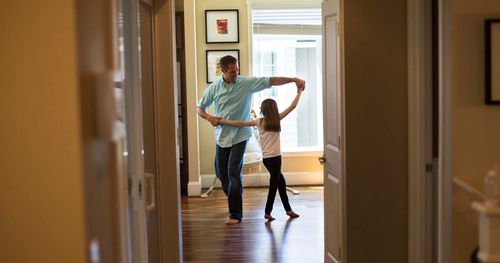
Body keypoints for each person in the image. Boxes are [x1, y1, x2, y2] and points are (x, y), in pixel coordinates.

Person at [196, 55, 305, 225]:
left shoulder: (246, 83)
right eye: (232, 71)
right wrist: (209, 117)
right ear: (223, 71)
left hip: (240, 137)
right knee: (221, 173)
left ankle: (235, 214)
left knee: (233, 173)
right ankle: (235, 196)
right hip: (221, 137)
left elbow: (270, 80)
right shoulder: (214, 88)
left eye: (237, 69)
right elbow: (199, 108)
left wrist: (293, 80)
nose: (236, 73)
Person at [219, 88, 304, 221]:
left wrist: (223, 121)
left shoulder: (260, 121)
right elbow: (293, 106)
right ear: (273, 109)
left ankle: (288, 210)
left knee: (281, 183)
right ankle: (268, 212)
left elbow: (240, 123)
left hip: (267, 159)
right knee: (274, 185)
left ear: (264, 109)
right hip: (275, 158)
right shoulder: (276, 119)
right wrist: (299, 92)